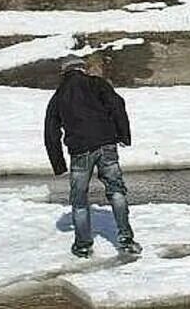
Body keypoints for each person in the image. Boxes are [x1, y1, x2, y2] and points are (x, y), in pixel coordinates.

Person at [44, 55, 143, 258]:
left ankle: (82, 246)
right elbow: (117, 106)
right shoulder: (97, 84)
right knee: (116, 191)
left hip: (80, 151)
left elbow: (50, 131)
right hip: (106, 144)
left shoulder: (58, 96)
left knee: (79, 199)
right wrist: (123, 136)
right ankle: (126, 240)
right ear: (82, 69)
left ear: (64, 72)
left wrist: (59, 164)